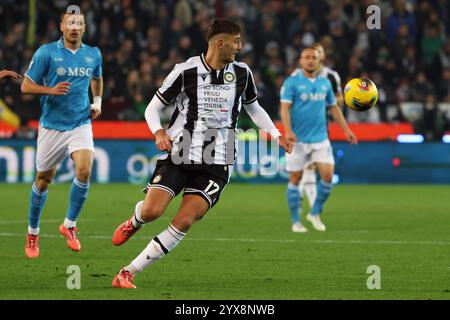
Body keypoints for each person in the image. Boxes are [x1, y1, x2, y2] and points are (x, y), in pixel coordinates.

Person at [110, 18, 293, 289]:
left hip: (217, 161)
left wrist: (277, 135)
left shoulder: (242, 73)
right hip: (180, 152)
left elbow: (253, 108)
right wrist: (159, 132)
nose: (240, 47)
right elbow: (152, 109)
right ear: (221, 43)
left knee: (184, 220)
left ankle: (128, 272)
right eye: (237, 41)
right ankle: (136, 220)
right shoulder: (185, 71)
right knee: (152, 212)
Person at [20, 11, 103, 258]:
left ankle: (69, 225)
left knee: (85, 170)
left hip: (80, 122)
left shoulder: (93, 54)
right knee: (44, 179)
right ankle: (32, 232)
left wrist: (97, 101)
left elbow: (97, 78)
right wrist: (50, 90)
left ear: (84, 27)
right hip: (52, 125)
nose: (74, 27)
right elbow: (25, 86)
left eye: (79, 23)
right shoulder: (46, 53)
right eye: (70, 23)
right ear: (62, 27)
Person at [280, 47, 357, 233]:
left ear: (319, 61)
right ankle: (295, 221)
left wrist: (346, 130)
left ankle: (314, 213)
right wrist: (288, 131)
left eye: (313, 58)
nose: (310, 61)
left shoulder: (325, 83)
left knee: (328, 177)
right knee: (295, 178)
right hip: (298, 140)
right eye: (306, 57)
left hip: (321, 138)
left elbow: (334, 108)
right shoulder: (292, 82)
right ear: (300, 61)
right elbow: (284, 108)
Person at [298, 42, 344, 213]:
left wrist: (324, 99)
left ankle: (301, 192)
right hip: (301, 122)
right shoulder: (298, 75)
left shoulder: (330, 76)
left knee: (313, 163)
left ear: (322, 56)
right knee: (309, 163)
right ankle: (313, 202)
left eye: (317, 53)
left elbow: (340, 99)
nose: (314, 56)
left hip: (322, 123)